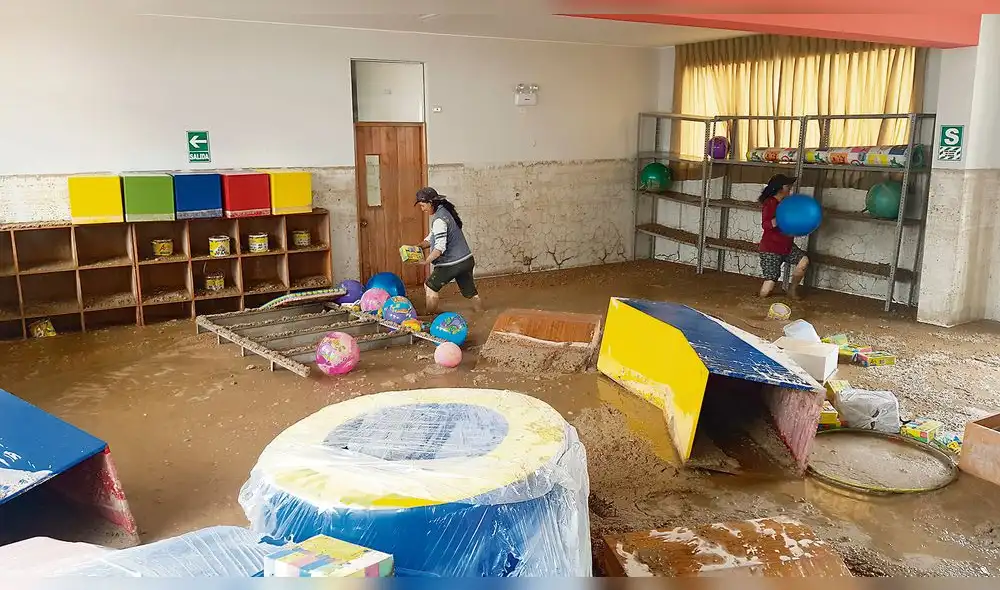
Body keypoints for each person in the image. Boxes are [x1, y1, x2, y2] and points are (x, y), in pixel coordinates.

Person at [407, 187, 483, 314]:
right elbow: (432, 238)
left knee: (430, 286)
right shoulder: (445, 213)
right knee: (470, 292)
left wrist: (426, 262)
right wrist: (418, 247)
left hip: (453, 263)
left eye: (423, 205)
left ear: (431, 203)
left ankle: (429, 316)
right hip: (466, 260)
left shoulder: (439, 220)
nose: (422, 209)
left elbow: (439, 249)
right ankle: (481, 312)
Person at [758, 173, 809, 299]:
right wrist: (780, 218)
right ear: (780, 188)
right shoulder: (770, 203)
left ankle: (792, 290)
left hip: (786, 246)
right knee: (770, 281)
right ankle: (760, 299)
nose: (790, 188)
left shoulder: (786, 203)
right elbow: (766, 224)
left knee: (804, 261)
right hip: (771, 248)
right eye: (788, 186)